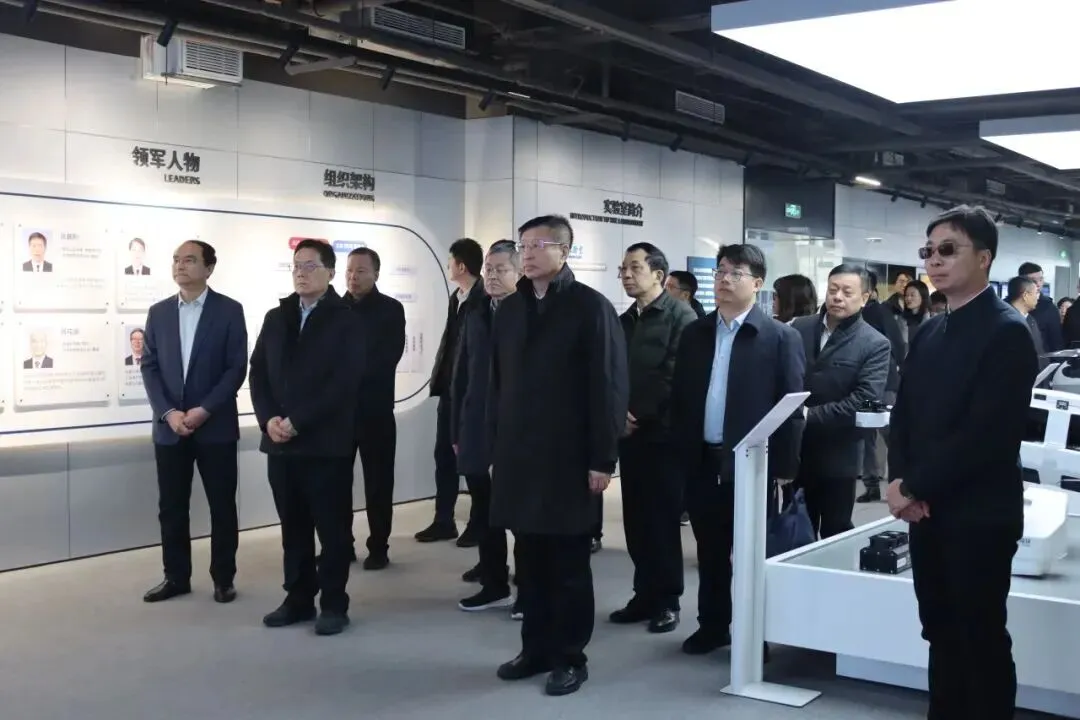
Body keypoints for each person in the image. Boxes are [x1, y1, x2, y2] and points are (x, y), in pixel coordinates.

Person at [886, 205, 1038, 719]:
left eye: (948, 250)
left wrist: (915, 487)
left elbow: (987, 436)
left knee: (979, 636)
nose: (934, 260)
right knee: (939, 630)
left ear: (984, 257)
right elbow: (904, 416)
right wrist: (899, 481)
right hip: (926, 511)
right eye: (928, 251)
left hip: (978, 515)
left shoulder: (1006, 331)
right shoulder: (931, 330)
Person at [487, 215, 628, 696]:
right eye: (523, 245)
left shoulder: (590, 307)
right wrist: (495, 446)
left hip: (569, 457)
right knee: (528, 559)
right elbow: (497, 385)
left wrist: (602, 459)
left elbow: (608, 387)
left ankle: (570, 656)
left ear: (564, 252)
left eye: (538, 245)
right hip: (519, 457)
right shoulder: (510, 309)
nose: (526, 254)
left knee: (568, 563)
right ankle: (535, 649)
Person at [669, 243, 805, 656]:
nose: (725, 280)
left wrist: (785, 467)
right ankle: (712, 625)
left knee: (749, 554)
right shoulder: (695, 333)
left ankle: (753, 633)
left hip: (753, 464)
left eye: (736, 273)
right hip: (702, 459)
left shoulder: (779, 337)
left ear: (757, 283)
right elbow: (681, 398)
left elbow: (791, 407)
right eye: (720, 272)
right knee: (709, 551)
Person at [249, 239, 366, 636]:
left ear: (331, 272)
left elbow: (344, 383)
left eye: (310, 266)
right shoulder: (276, 317)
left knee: (332, 530)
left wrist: (299, 421)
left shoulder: (346, 320)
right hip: (280, 444)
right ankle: (297, 598)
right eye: (296, 266)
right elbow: (258, 373)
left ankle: (333, 603)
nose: (301, 273)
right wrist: (268, 419)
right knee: (293, 528)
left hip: (325, 444)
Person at [140, 240, 248, 604]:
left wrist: (204, 410)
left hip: (215, 426)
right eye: (176, 260)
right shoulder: (158, 313)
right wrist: (168, 412)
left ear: (209, 268)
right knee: (171, 507)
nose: (180, 266)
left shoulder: (229, 310)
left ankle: (223, 578)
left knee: (222, 505)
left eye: (189, 260)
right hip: (170, 428)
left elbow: (236, 368)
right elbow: (149, 367)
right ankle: (175, 577)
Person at [609, 242, 696, 635]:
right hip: (629, 436)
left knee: (661, 521)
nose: (627, 275)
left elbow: (675, 375)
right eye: (623, 269)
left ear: (659, 275)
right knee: (636, 520)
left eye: (635, 268)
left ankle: (667, 600)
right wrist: (618, 413)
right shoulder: (625, 319)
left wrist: (638, 414)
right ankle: (643, 594)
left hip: (664, 435)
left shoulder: (681, 316)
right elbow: (613, 372)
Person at [791, 264, 890, 539]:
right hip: (796, 449)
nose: (837, 297)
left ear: (865, 297)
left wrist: (808, 415)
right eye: (833, 289)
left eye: (847, 292)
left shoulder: (874, 343)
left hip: (839, 454)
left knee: (835, 530)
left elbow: (864, 399)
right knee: (795, 528)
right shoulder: (800, 327)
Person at [454, 240, 521, 613]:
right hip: (477, 426)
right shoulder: (476, 311)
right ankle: (494, 583)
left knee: (522, 518)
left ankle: (529, 591)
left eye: (501, 269)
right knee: (485, 511)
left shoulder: (528, 312)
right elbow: (461, 374)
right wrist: (456, 430)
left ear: (519, 273)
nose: (492, 276)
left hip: (515, 431)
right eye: (489, 270)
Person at [416, 238, 486, 546]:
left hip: (470, 392)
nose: (448, 266)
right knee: (443, 456)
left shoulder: (483, 299)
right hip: (449, 389)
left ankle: (479, 522)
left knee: (471, 460)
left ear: (461, 265)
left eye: (450, 261)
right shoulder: (456, 297)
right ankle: (443, 520)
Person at [343, 247, 406, 571]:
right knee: (337, 485)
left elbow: (387, 357)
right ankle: (341, 545)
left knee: (379, 484)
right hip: (338, 415)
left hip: (375, 411)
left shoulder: (390, 309)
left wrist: (343, 377)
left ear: (376, 274)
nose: (353, 277)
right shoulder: (333, 308)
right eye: (349, 270)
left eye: (361, 271)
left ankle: (379, 546)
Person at [855, 270, 906, 504]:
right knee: (868, 434)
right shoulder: (854, 314)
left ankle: (899, 482)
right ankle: (872, 485)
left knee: (889, 433)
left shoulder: (878, 312)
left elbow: (898, 345)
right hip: (866, 386)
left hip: (883, 384)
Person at [1018, 261, 1063, 352]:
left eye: (1041, 279)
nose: (1038, 284)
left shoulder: (1050, 308)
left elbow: (1056, 343)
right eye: (1033, 280)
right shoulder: (1009, 305)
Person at [1006, 275, 1046, 358]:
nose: (1038, 297)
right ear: (1025, 295)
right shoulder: (1007, 321)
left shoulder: (1031, 320)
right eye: (1036, 293)